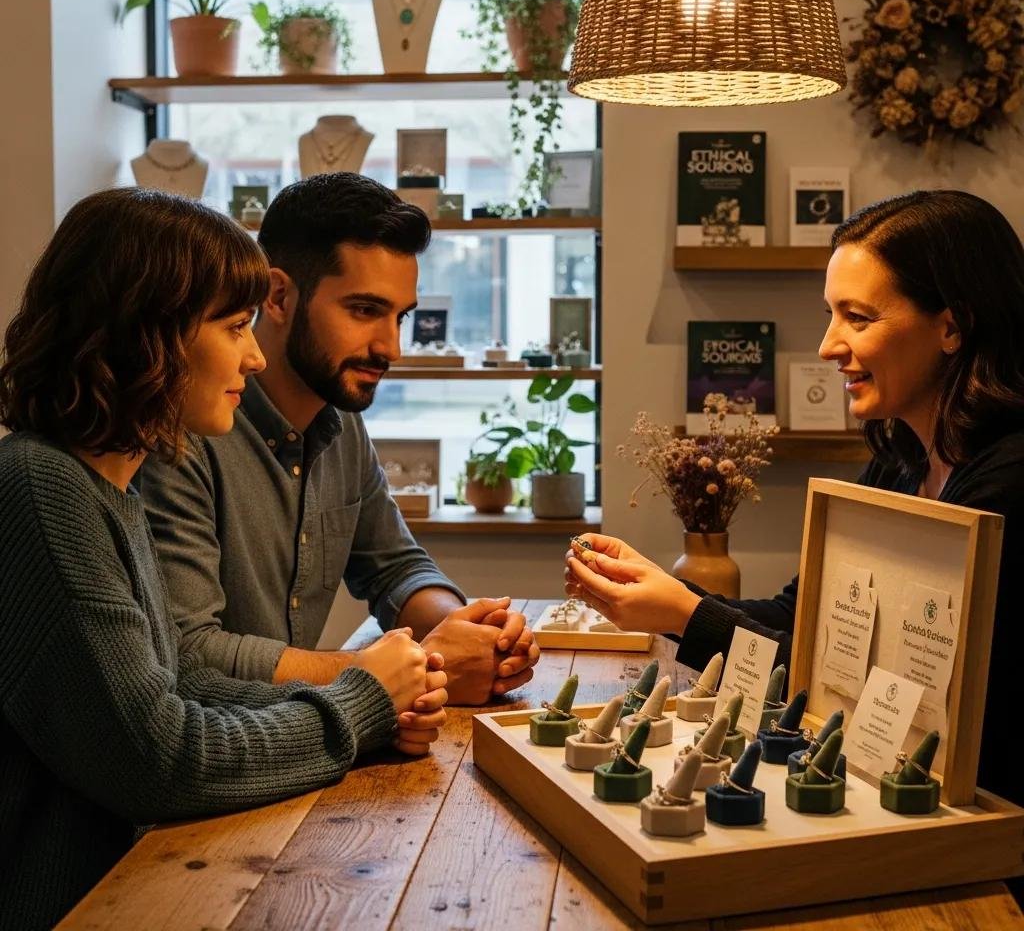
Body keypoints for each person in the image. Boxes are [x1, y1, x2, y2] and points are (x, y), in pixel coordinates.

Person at [0, 189, 447, 931]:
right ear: (149, 333)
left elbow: (181, 686)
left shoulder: (103, 488)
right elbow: (160, 757)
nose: (254, 353)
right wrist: (359, 702)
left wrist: (374, 712)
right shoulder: (44, 489)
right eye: (236, 326)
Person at [566, 190, 1024, 808]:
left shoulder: (1006, 483)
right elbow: (800, 620)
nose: (828, 346)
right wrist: (666, 596)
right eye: (831, 315)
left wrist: (683, 613)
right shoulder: (901, 461)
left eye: (858, 318)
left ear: (952, 325)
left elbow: (866, 690)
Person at [140, 173, 539, 705]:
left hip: (293, 742)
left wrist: (469, 631)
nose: (391, 346)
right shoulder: (185, 430)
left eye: (401, 316)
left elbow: (394, 565)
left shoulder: (340, 420)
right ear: (278, 296)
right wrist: (400, 671)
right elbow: (191, 655)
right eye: (365, 310)